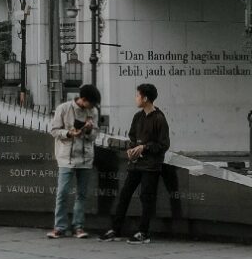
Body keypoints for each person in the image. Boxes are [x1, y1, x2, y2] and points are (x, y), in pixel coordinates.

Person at [99, 83, 170, 244]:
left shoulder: (159, 118)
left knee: (146, 198)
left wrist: (144, 147)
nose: (135, 98)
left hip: (151, 166)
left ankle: (143, 233)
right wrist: (132, 149)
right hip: (136, 164)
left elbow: (164, 145)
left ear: (145, 98)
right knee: (125, 195)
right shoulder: (138, 117)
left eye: (137, 95)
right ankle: (115, 230)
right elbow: (132, 138)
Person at [47, 84, 100, 239]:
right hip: (66, 157)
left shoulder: (93, 112)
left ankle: (78, 227)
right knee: (62, 193)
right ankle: (59, 227)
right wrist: (69, 133)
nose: (92, 107)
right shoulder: (63, 108)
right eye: (91, 103)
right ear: (83, 99)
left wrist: (88, 130)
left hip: (85, 157)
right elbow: (54, 130)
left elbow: (94, 134)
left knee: (81, 194)